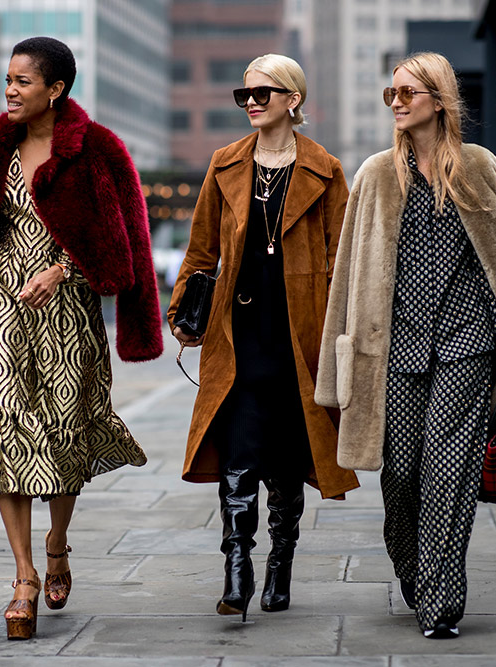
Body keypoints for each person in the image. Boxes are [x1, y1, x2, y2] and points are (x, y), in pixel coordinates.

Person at [315, 52, 496, 639]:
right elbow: (348, 275)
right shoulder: (374, 174)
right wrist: (333, 368)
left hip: (467, 344)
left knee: (449, 471)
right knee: (399, 477)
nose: (396, 101)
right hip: (391, 350)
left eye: (407, 92)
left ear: (439, 100)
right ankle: (416, 571)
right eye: (390, 93)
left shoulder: (478, 167)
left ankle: (441, 600)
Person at [0, 37, 163, 641]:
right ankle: (24, 577)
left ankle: (57, 544)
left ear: (55, 89)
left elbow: (125, 241)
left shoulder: (96, 150)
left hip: (68, 310)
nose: (10, 90)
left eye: (23, 81)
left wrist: (65, 270)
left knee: (62, 434)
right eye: (7, 80)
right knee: (4, 432)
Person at [167, 53, 359, 622]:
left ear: (292, 100)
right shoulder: (225, 164)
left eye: (262, 93)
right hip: (238, 332)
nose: (250, 102)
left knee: (288, 457)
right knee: (240, 451)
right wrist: (185, 307)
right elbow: (202, 249)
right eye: (243, 95)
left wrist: (343, 333)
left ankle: (280, 563)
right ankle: (237, 566)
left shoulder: (326, 169)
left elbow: (342, 260)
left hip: (301, 335)